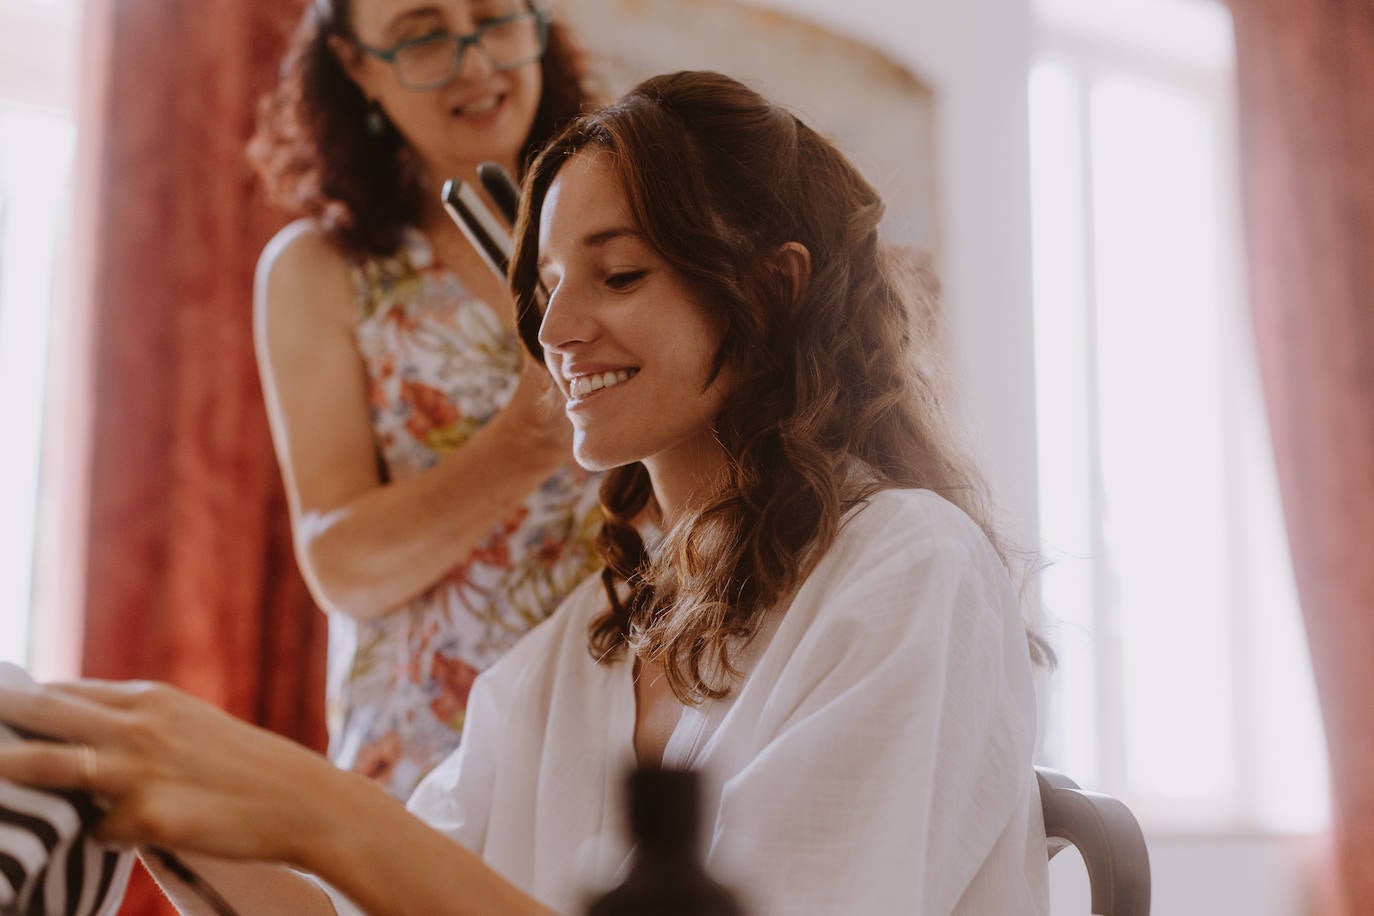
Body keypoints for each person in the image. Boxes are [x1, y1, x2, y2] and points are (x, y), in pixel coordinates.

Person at [0, 71, 1050, 915]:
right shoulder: (598, 638)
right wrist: (136, 780)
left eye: (620, 274)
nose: (552, 332)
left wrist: (324, 811)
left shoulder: (909, 571)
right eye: (545, 287)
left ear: (771, 289)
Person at [248, 0, 605, 798]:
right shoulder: (321, 270)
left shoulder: (627, 237)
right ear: (356, 64)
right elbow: (342, 566)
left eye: (496, 20)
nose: (475, 62)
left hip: (625, 740)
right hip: (427, 763)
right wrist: (527, 439)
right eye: (423, 34)